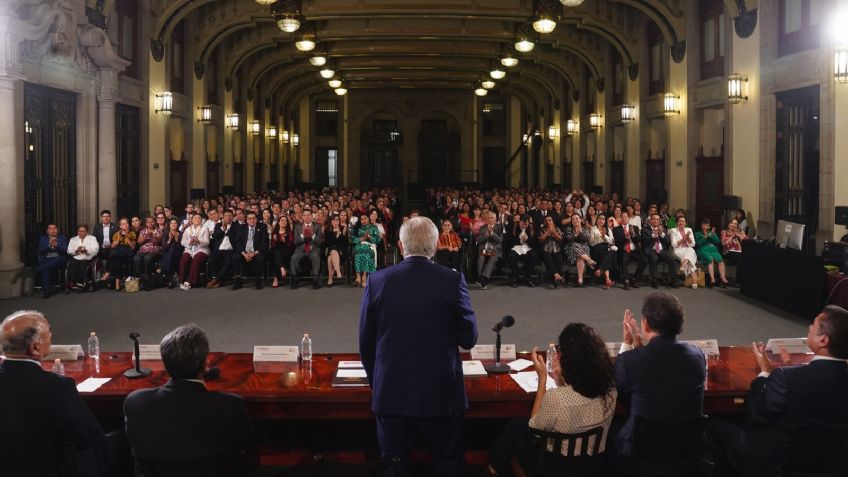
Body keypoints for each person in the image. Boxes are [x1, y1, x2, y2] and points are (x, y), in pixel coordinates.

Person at [359, 217, 478, 476]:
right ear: (435, 247)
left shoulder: (378, 281)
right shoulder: (452, 281)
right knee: (449, 465)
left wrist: (377, 383)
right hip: (442, 395)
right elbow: (469, 338)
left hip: (392, 393)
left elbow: (366, 343)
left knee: (393, 468)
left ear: (401, 246)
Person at [708, 306, 848, 477]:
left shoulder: (785, 378)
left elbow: (756, 415)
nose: (809, 328)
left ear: (823, 341)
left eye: (812, 326)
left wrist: (765, 373)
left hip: (781, 462)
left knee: (714, 422)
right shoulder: (791, 376)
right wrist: (791, 369)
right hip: (835, 464)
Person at [486, 323, 617, 476]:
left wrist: (542, 380)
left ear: (569, 360)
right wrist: (561, 379)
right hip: (591, 466)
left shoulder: (557, 398)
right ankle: (494, 467)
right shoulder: (611, 392)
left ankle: (493, 468)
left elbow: (534, 428)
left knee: (517, 429)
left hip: (555, 468)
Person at [124, 324, 253, 475]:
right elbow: (246, 441)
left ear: (165, 364)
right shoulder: (231, 405)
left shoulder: (136, 402)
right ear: (205, 365)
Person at [0, 310, 113, 476]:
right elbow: (88, 436)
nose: (51, 337)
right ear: (35, 348)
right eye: (49, 335)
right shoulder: (56, 387)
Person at [613, 292, 706, 466]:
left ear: (646, 325)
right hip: (685, 450)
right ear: (680, 326)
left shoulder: (631, 361)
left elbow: (621, 390)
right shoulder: (698, 356)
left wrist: (627, 342)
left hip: (642, 453)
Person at [231, 211, 269, 290]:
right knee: (235, 257)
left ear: (257, 219)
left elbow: (264, 243)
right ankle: (238, 282)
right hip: (244, 252)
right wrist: (244, 254)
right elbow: (238, 243)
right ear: (246, 220)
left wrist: (254, 253)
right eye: (250, 219)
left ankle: (258, 282)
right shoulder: (241, 227)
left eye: (254, 218)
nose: (252, 220)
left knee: (260, 258)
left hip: (257, 252)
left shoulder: (262, 227)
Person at [641, 214, 678, 289]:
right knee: (654, 258)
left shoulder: (663, 229)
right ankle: (654, 280)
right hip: (650, 250)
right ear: (650, 220)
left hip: (661, 250)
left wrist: (661, 234)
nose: (655, 221)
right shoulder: (645, 229)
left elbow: (668, 242)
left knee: (672, 258)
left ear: (660, 221)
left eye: (657, 219)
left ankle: (672, 279)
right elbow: (644, 242)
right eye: (654, 219)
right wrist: (653, 235)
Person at [612, 211, 648, 290]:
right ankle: (626, 281)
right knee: (623, 260)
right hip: (624, 250)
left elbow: (639, 239)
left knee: (645, 260)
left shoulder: (634, 227)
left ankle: (634, 278)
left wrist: (633, 235)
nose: (624, 219)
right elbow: (617, 241)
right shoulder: (616, 229)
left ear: (629, 218)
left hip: (634, 250)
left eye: (626, 217)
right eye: (622, 217)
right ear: (621, 219)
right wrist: (625, 237)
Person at [291, 209, 324, 289]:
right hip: (300, 249)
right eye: (305, 215)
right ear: (302, 217)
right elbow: (295, 242)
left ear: (312, 216)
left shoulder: (317, 226)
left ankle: (316, 279)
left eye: (308, 215)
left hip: (313, 249)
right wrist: (302, 235)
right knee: (294, 257)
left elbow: (320, 242)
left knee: (315, 256)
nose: (307, 217)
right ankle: (295, 279)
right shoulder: (298, 226)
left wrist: (312, 235)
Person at [504, 215, 539, 288]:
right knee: (510, 256)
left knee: (533, 256)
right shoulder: (514, 228)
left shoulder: (531, 229)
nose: (524, 225)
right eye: (523, 223)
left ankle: (527, 277)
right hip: (516, 247)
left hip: (527, 247)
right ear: (519, 222)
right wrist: (519, 240)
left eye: (526, 223)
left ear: (528, 223)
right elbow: (509, 242)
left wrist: (527, 239)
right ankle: (516, 277)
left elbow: (535, 243)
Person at [178, 213, 210, 291]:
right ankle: (182, 281)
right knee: (184, 259)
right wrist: (190, 242)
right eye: (195, 218)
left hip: (201, 249)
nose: (197, 220)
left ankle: (189, 282)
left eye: (199, 218)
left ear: (201, 220)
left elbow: (207, 242)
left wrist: (198, 241)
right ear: (192, 220)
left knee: (196, 258)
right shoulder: (187, 229)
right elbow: (182, 242)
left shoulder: (205, 229)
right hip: (189, 249)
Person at [36, 223, 69, 298]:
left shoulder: (62, 238)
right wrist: (49, 246)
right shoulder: (43, 238)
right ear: (47, 231)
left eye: (54, 228)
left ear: (57, 230)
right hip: (47, 258)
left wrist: (56, 246)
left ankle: (38, 269)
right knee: (46, 268)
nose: (53, 230)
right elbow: (41, 251)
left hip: (59, 258)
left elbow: (65, 251)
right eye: (50, 228)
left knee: (44, 266)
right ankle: (47, 291)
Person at [563, 213, 596, 287]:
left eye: (577, 218)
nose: (575, 220)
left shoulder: (585, 228)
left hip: (584, 249)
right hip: (571, 251)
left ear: (580, 219)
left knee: (580, 256)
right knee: (574, 244)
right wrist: (576, 234)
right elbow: (569, 239)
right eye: (573, 219)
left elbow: (587, 238)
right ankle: (589, 260)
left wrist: (580, 232)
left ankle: (580, 279)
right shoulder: (569, 229)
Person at [207, 210, 238, 289]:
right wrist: (222, 229)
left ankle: (216, 280)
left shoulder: (236, 225)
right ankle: (217, 279)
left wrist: (227, 231)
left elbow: (236, 238)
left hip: (230, 249)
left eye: (230, 215)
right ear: (223, 217)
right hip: (219, 249)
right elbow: (214, 236)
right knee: (211, 260)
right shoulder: (218, 225)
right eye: (226, 215)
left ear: (233, 217)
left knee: (228, 262)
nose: (228, 217)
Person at [104, 218, 137, 291]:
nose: (125, 225)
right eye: (123, 224)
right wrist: (119, 239)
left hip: (128, 252)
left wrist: (127, 238)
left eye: (126, 223)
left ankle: (108, 271)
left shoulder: (132, 233)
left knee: (114, 255)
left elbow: (133, 247)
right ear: (120, 226)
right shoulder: (117, 234)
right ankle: (117, 282)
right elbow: (112, 246)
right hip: (118, 252)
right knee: (117, 260)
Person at [694, 218, 728, 288]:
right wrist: (706, 237)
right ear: (701, 225)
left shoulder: (712, 233)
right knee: (710, 259)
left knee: (720, 259)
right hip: (702, 249)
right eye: (704, 225)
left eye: (707, 225)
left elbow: (717, 242)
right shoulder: (697, 233)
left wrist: (713, 235)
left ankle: (723, 278)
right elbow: (698, 244)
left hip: (713, 249)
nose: (705, 227)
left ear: (709, 227)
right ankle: (712, 279)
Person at [669, 216, 699, 289]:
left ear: (685, 223)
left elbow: (693, 244)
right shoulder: (673, 230)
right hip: (678, 250)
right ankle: (694, 281)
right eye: (680, 221)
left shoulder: (689, 230)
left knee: (690, 250)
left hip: (687, 249)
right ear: (677, 223)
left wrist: (688, 238)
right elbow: (674, 244)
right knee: (690, 256)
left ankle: (683, 265)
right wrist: (683, 239)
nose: (681, 222)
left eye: (683, 221)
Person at [476, 211, 503, 290]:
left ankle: (483, 280)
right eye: (488, 218)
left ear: (495, 219)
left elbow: (500, 240)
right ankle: (481, 278)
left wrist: (492, 233)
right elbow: (479, 240)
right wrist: (485, 236)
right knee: (481, 258)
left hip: (495, 250)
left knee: (492, 258)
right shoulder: (483, 227)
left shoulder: (499, 227)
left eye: (492, 218)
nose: (490, 219)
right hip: (484, 249)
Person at [67, 224, 99, 290]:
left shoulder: (92, 238)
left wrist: (86, 251)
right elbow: (69, 251)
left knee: (83, 265)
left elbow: (96, 250)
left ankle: (82, 282)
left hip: (87, 258)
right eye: (80, 231)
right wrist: (76, 251)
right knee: (72, 264)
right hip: (77, 257)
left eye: (84, 231)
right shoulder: (73, 239)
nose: (82, 233)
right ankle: (75, 282)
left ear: (87, 231)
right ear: (77, 232)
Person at [352, 213, 380, 288]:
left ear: (368, 218)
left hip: (370, 246)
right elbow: (353, 239)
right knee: (360, 251)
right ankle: (360, 277)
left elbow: (377, 240)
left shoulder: (374, 227)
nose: (363, 220)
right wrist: (361, 239)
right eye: (362, 219)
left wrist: (369, 237)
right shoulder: (358, 228)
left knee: (364, 253)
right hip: (360, 244)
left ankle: (362, 277)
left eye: (365, 218)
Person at [538, 215, 565, 288]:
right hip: (546, 249)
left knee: (558, 260)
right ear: (544, 222)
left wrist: (554, 232)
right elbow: (541, 240)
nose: (548, 221)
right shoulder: (542, 229)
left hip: (556, 249)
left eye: (550, 220)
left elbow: (560, 239)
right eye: (546, 220)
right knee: (548, 259)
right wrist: (547, 232)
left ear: (553, 221)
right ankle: (557, 276)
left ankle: (556, 278)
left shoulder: (557, 229)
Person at [270, 214, 296, 288]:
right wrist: (275, 240)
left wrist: (284, 241)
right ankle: (282, 268)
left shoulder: (289, 232)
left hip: (286, 251)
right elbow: (273, 245)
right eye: (282, 220)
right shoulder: (275, 232)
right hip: (276, 251)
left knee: (277, 256)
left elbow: (291, 245)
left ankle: (275, 279)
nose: (284, 222)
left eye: (285, 221)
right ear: (278, 222)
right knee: (276, 252)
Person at [324, 214, 347, 287]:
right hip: (331, 249)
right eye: (334, 220)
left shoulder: (343, 228)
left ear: (339, 221)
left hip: (341, 250)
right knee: (332, 253)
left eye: (337, 220)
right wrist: (337, 235)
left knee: (331, 257)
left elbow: (345, 242)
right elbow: (328, 243)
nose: (335, 221)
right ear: (331, 221)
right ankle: (338, 271)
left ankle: (330, 278)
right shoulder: (327, 230)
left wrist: (342, 233)